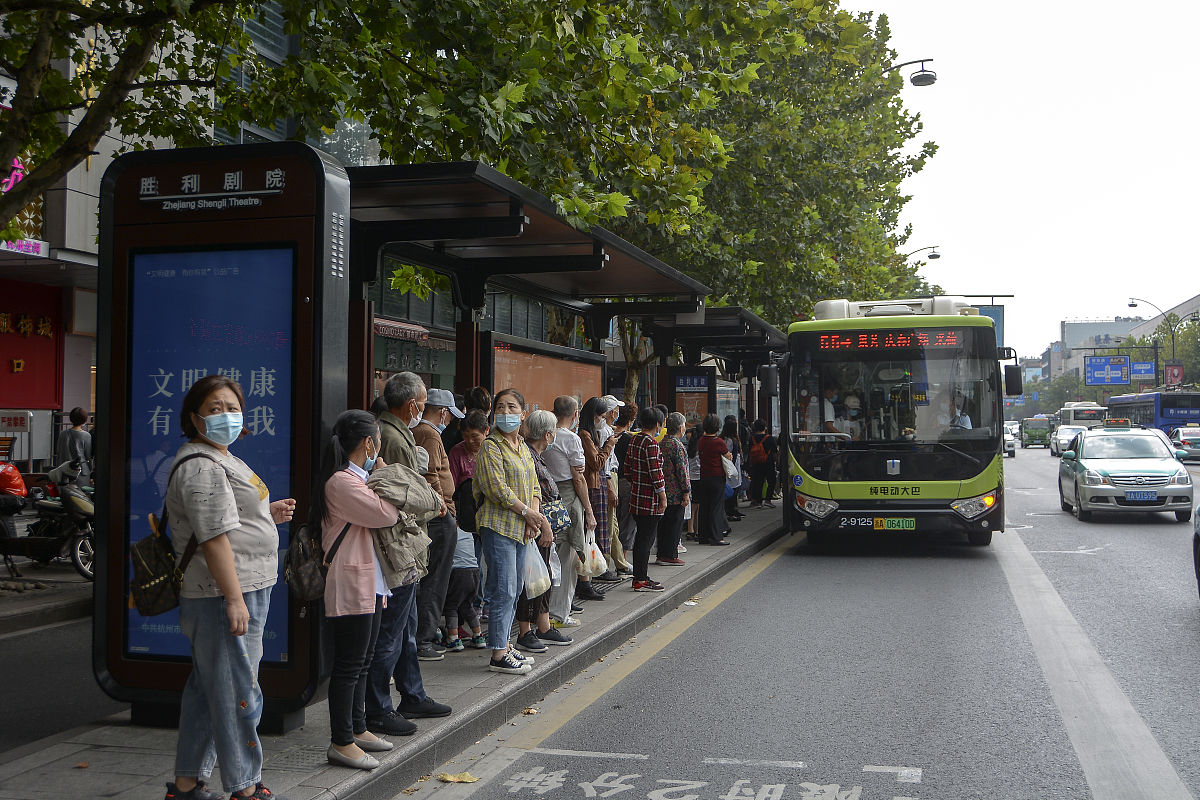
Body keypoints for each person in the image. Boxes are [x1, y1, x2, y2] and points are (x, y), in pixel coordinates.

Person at [164, 375, 295, 800]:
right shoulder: (201, 465)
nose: (226, 415)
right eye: (215, 408)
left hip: (243, 585)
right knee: (238, 692)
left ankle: (186, 784)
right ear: (194, 417)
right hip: (222, 594)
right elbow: (213, 539)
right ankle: (244, 786)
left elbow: (230, 519)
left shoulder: (223, 456)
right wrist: (235, 600)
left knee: (209, 689)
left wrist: (266, 515)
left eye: (232, 407)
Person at [366, 372, 451, 740]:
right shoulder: (395, 436)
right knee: (392, 632)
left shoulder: (397, 431)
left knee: (406, 629)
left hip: (406, 549)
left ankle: (412, 693)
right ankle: (380, 707)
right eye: (421, 401)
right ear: (413, 404)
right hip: (399, 547)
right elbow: (409, 495)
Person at [314, 411, 400, 771]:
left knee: (363, 662)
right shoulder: (342, 482)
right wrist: (383, 476)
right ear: (369, 443)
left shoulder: (358, 478)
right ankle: (341, 741)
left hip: (370, 583)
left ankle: (359, 728)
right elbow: (387, 514)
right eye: (376, 440)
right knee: (348, 666)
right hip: (351, 584)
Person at [474, 388, 544, 674]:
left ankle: (505, 642)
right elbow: (497, 489)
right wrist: (528, 514)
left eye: (511, 407)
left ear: (523, 413)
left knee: (515, 589)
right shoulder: (491, 446)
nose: (505, 412)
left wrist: (533, 516)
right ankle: (498, 655)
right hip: (498, 526)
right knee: (503, 589)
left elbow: (535, 485)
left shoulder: (523, 447)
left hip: (521, 528)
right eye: (500, 407)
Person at [514, 409, 575, 653]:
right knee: (533, 578)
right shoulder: (528, 455)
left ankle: (543, 625)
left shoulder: (536, 455)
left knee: (545, 575)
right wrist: (545, 526)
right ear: (548, 435)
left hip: (542, 524)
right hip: (535, 526)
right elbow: (532, 493)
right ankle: (525, 631)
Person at [412, 387, 464, 661]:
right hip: (438, 516)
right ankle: (424, 638)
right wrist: (444, 507)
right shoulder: (430, 434)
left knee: (433, 578)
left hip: (437, 513)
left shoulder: (422, 432)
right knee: (435, 579)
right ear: (442, 412)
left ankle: (424, 636)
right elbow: (431, 474)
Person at [543, 395, 599, 626]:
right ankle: (559, 613)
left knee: (548, 558)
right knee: (567, 559)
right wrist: (589, 510)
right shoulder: (572, 439)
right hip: (567, 499)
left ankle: (543, 613)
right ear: (575, 415)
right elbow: (578, 478)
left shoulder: (543, 436)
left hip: (545, 498)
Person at [622, 406, 667, 591]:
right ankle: (641, 578)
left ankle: (640, 577)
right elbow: (656, 474)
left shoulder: (635, 440)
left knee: (641, 538)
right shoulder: (651, 443)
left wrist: (638, 484)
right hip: (650, 501)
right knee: (645, 541)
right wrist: (663, 497)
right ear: (657, 424)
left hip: (637, 497)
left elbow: (627, 469)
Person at [578, 396, 620, 582]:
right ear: (592, 416)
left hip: (599, 482)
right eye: (600, 416)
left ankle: (598, 567)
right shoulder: (585, 434)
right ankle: (592, 571)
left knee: (603, 527)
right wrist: (609, 445)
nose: (602, 420)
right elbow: (596, 463)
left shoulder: (593, 434)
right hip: (592, 485)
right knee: (595, 528)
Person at [597, 395, 632, 574]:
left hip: (612, 476)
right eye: (616, 410)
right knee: (609, 522)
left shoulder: (608, 430)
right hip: (609, 477)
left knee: (613, 521)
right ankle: (607, 563)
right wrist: (610, 487)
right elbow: (605, 463)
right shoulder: (605, 432)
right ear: (612, 412)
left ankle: (620, 561)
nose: (617, 413)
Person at [441, 526, 486, 650]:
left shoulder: (448, 530)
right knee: (467, 606)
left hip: (458, 572)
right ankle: (478, 636)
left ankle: (453, 638)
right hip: (474, 571)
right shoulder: (467, 531)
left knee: (451, 606)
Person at [656, 412, 689, 566]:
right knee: (675, 525)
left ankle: (662, 553)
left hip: (663, 490)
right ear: (680, 427)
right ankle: (669, 554)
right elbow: (682, 471)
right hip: (675, 492)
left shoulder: (662, 443)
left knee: (664, 524)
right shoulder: (677, 445)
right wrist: (686, 491)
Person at [696, 414, 731, 546]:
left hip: (704, 477)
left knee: (704, 506)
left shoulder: (701, 441)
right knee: (716, 507)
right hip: (717, 477)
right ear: (717, 427)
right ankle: (716, 537)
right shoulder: (719, 442)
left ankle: (703, 536)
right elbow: (728, 456)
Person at [56, 407, 93, 485]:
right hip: (81, 472)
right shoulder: (86, 435)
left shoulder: (62, 434)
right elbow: (88, 456)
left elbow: (59, 453)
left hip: (64, 472)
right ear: (85, 420)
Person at [747, 419, 778, 508]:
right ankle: (768, 499)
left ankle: (758, 501)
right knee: (771, 481)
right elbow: (775, 452)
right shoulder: (769, 438)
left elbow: (749, 451)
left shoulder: (752, 439)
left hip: (756, 463)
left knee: (758, 482)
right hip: (768, 463)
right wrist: (776, 461)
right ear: (765, 427)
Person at [720, 416, 743, 523]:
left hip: (725, 467)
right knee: (733, 489)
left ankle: (730, 510)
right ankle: (731, 510)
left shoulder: (722, 438)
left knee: (729, 489)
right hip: (732, 467)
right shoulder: (733, 440)